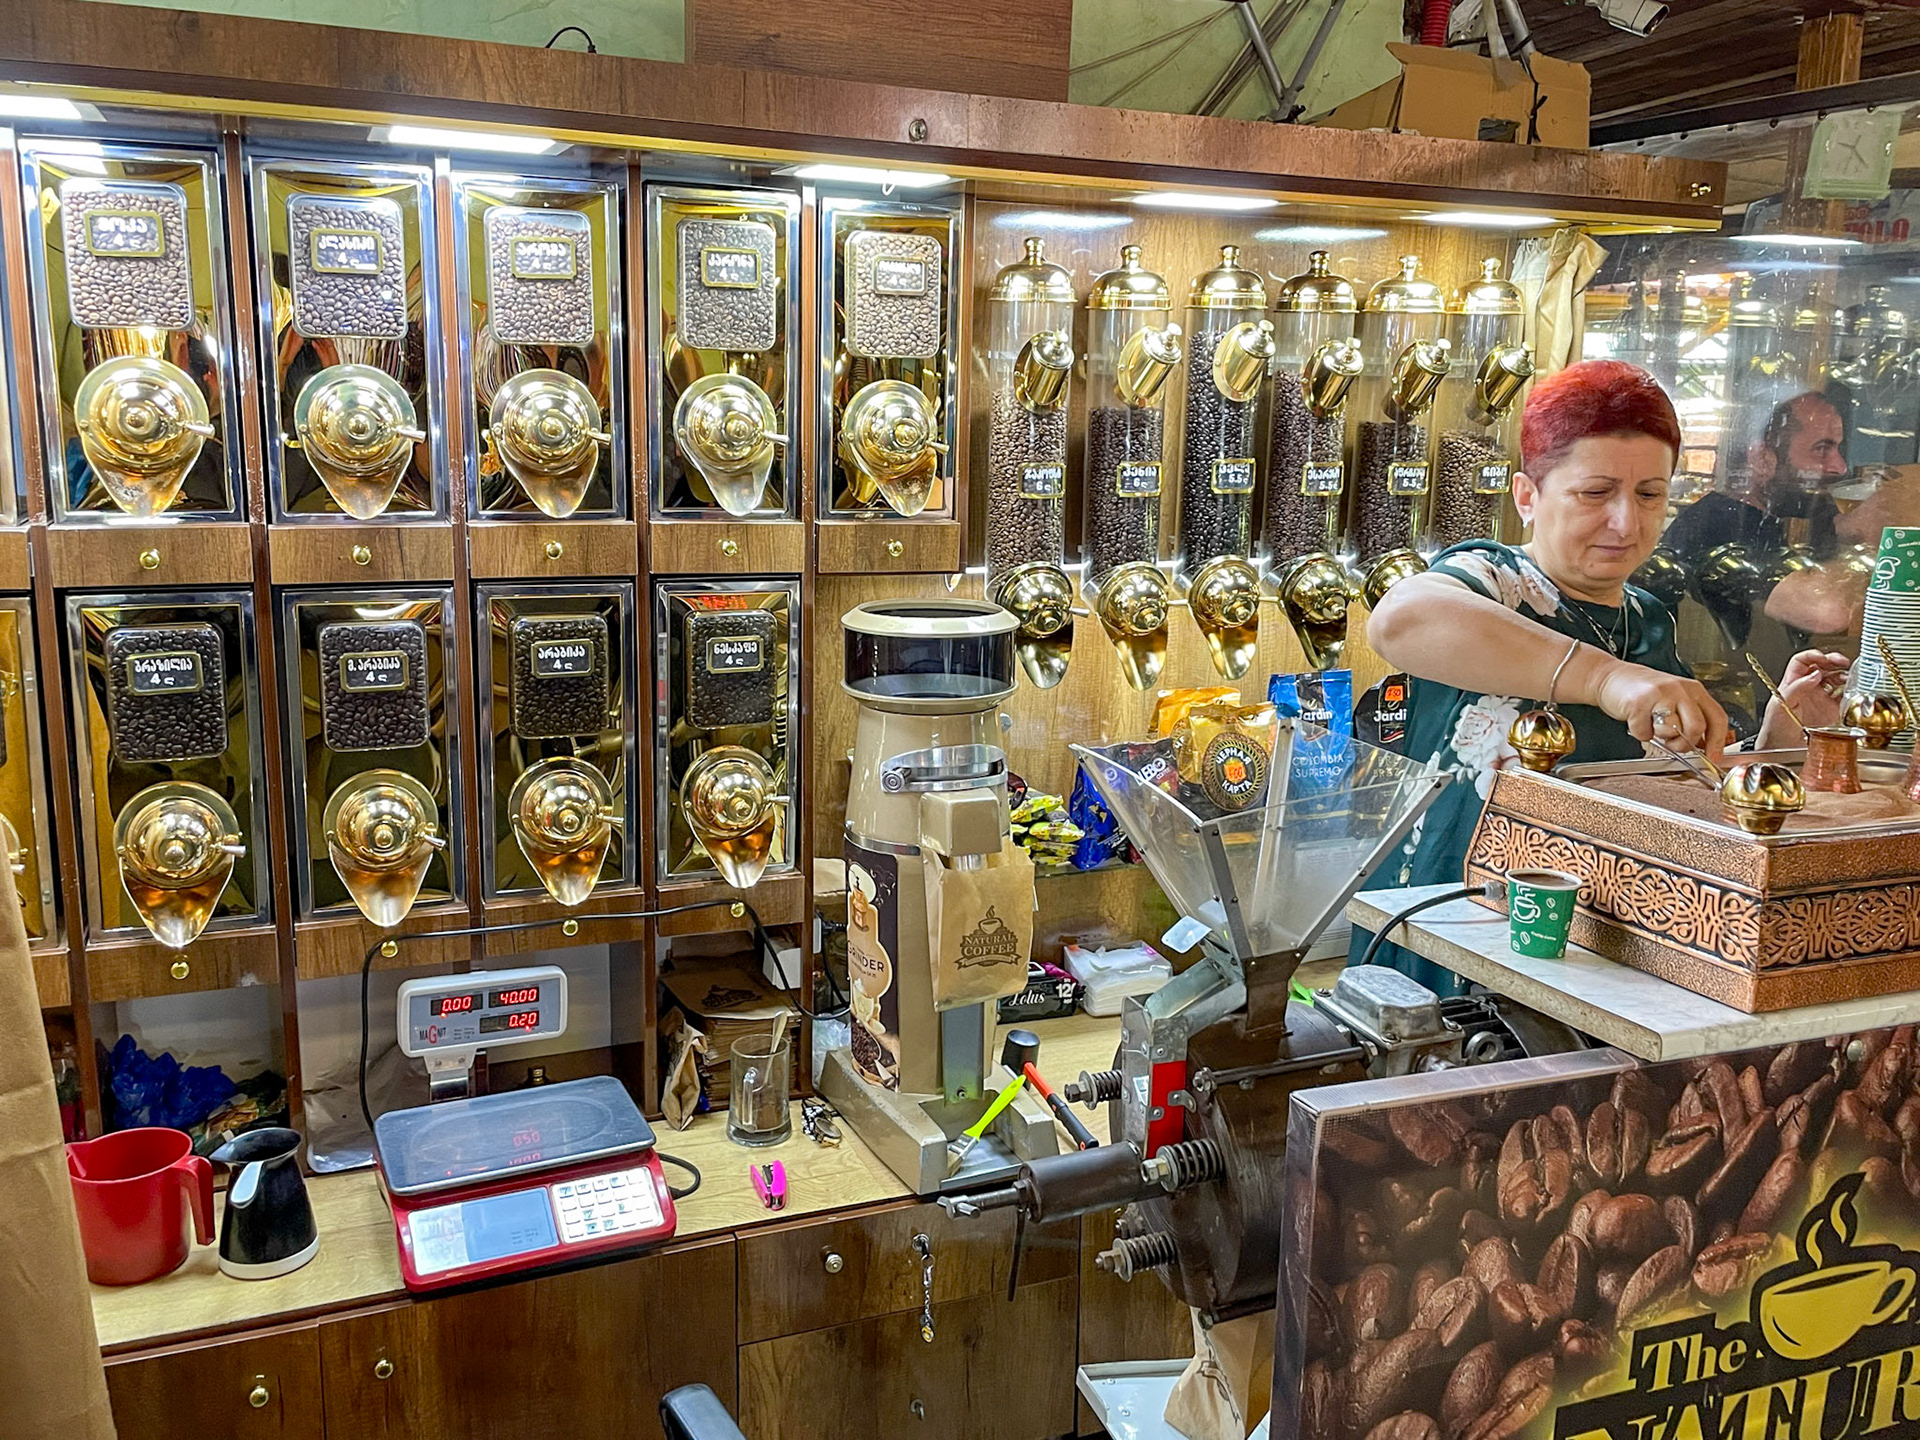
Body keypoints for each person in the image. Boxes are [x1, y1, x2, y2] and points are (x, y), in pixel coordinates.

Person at [1352, 360, 1848, 996]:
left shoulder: (1647, 620)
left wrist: (1782, 730)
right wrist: (1605, 679)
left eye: (1649, 495)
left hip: (1593, 939)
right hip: (1453, 930)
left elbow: (1678, 776)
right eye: (1595, 493)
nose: (1626, 522)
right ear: (1527, 496)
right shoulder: (1496, 580)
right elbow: (1400, 618)